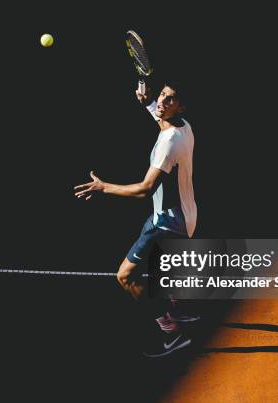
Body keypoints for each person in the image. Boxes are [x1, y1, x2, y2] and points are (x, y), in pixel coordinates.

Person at [74, 81, 199, 357]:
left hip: (166, 223)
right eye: (163, 95)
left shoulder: (169, 142)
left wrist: (104, 187)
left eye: (171, 99)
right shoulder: (184, 128)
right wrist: (148, 104)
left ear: (181, 106)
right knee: (161, 271)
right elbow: (162, 122)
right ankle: (180, 308)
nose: (163, 102)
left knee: (125, 276)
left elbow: (144, 189)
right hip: (186, 215)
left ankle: (171, 333)